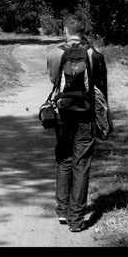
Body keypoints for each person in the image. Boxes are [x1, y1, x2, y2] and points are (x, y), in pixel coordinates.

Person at [46, 14, 108, 232]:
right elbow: (99, 89)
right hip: (86, 115)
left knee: (64, 158)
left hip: (62, 114)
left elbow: (53, 79)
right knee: (81, 164)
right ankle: (76, 219)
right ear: (84, 31)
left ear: (65, 30)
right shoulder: (94, 54)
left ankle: (62, 211)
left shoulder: (54, 52)